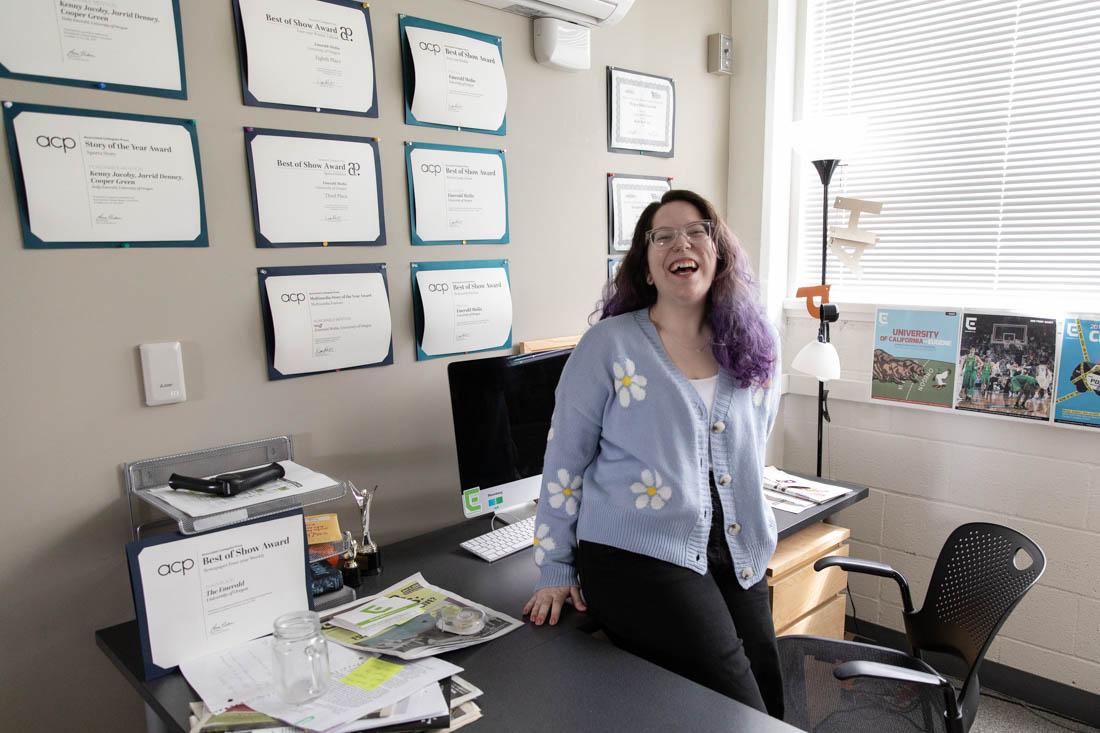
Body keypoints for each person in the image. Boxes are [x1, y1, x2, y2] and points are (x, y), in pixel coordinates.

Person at [522, 190, 784, 718]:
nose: (679, 244)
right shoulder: (609, 346)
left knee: (769, 693)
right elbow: (564, 464)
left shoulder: (755, 344)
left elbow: (752, 447)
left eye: (695, 232)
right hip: (635, 550)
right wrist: (553, 566)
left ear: (719, 251)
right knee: (736, 701)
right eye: (662, 236)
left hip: (736, 547)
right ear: (645, 263)